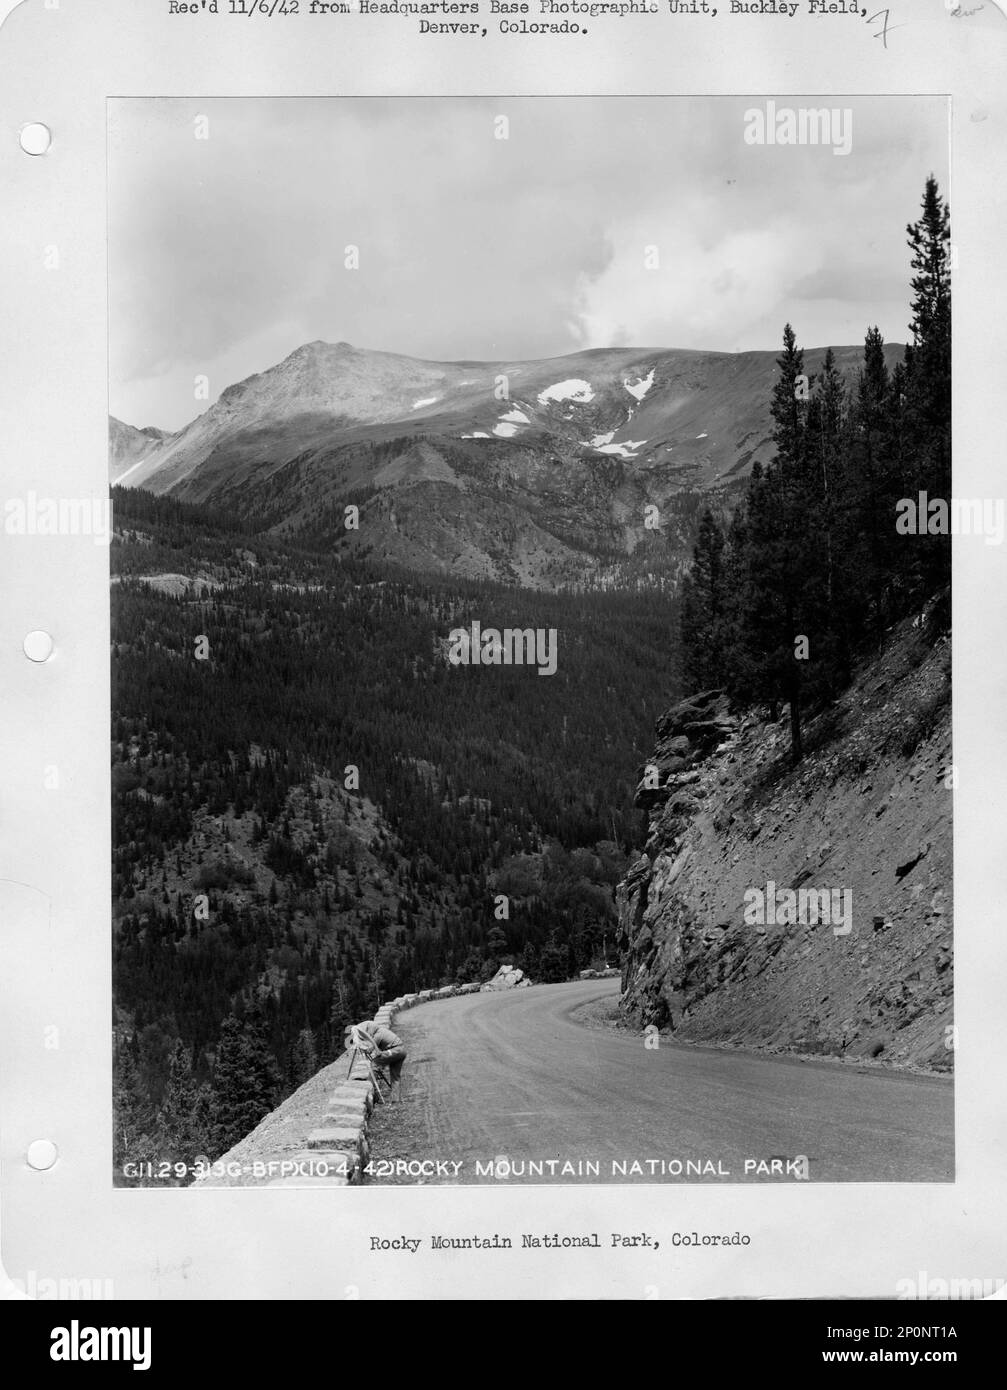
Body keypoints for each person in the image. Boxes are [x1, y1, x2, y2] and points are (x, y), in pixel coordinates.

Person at [347, 1020, 408, 1102]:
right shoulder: (382, 1031)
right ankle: (396, 1099)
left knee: (374, 1064)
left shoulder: (378, 1035)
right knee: (395, 1076)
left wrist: (360, 1045)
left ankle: (371, 1092)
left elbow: (370, 1049)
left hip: (394, 1051)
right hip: (401, 1050)